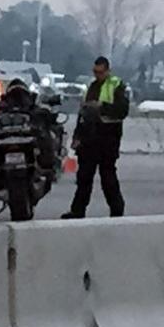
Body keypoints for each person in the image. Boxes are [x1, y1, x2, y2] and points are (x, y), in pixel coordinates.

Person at [63, 57, 129, 219]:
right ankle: (78, 210)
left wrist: (102, 107)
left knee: (108, 178)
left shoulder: (116, 86)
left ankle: (117, 210)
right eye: (95, 72)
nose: (97, 75)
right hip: (89, 140)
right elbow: (83, 114)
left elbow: (122, 111)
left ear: (107, 71)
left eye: (100, 72)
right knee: (84, 178)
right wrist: (77, 137)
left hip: (108, 139)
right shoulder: (91, 87)